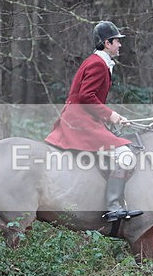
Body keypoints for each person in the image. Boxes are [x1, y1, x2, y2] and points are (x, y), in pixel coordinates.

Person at [45, 21, 143, 222]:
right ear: (107, 43)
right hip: (79, 121)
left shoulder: (97, 62)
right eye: (117, 41)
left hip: (83, 118)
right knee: (125, 154)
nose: (120, 45)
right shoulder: (97, 64)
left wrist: (109, 118)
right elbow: (86, 97)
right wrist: (111, 115)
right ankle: (114, 206)